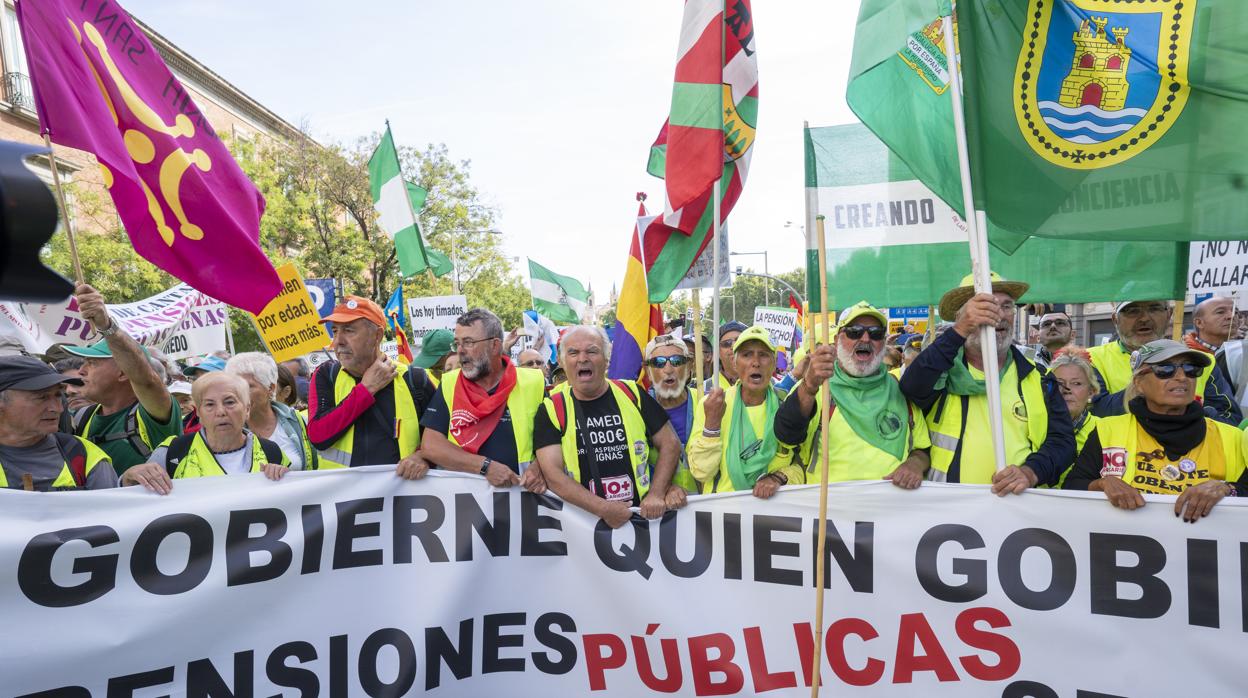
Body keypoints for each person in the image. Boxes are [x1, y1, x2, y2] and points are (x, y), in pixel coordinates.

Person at [901, 273, 1075, 493]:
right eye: (984, 307)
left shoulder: (1038, 377)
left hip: (1016, 508)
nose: (997, 316)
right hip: (948, 510)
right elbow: (911, 385)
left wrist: (1030, 472)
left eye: (1006, 306)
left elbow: (1063, 443)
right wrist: (959, 331)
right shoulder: (940, 373)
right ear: (962, 316)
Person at [1063, 339, 1247, 522]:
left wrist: (1227, 489)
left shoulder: (1232, 436)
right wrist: (1102, 484)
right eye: (1165, 369)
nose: (1182, 377)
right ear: (1139, 383)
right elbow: (1071, 487)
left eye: (1191, 369)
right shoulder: (1108, 430)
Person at [533, 326, 686, 528]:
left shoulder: (632, 393)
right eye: (573, 353)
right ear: (561, 362)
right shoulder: (551, 409)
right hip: (583, 526)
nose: (582, 358)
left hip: (643, 520)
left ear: (606, 360)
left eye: (592, 351)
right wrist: (603, 509)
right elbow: (553, 476)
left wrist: (657, 493)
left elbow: (670, 444)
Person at [776, 302, 931, 489]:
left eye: (875, 333)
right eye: (854, 331)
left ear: (883, 341)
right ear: (836, 341)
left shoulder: (900, 389)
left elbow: (922, 449)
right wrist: (809, 387)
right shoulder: (817, 386)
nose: (865, 338)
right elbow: (786, 436)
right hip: (829, 512)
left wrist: (914, 464)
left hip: (891, 511)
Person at [420, 308, 548, 490]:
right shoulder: (449, 383)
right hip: (466, 503)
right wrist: (485, 467)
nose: (460, 351)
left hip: (524, 502)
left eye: (469, 342)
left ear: (495, 346)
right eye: (457, 343)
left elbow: (556, 440)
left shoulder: (533, 381)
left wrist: (541, 467)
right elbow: (431, 445)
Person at [306, 295, 434, 473]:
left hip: (401, 497)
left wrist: (421, 456)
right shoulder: (326, 374)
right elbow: (318, 436)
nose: (338, 341)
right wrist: (366, 390)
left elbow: (439, 440)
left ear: (377, 335)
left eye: (349, 330)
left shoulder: (415, 379)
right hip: (341, 497)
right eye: (335, 331)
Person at [65, 284, 182, 476]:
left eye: (92, 363)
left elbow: (147, 381)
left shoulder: (153, 415)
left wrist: (106, 326)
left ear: (124, 372)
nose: (81, 371)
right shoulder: (81, 418)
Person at [121, 373, 290, 493]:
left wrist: (282, 477)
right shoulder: (173, 451)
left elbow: (293, 506)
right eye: (209, 404)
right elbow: (132, 501)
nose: (221, 412)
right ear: (199, 413)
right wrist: (128, 478)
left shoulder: (271, 452)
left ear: (247, 409)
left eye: (230, 402)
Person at [688, 326, 802, 496]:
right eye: (746, 355)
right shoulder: (712, 405)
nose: (755, 363)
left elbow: (803, 466)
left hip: (775, 515)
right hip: (724, 513)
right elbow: (701, 472)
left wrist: (778, 478)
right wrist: (712, 424)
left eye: (763, 355)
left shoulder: (787, 406)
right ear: (735, 362)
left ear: (773, 363)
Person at [1088, 300, 1240, 424]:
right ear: (1115, 319)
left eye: (1154, 308)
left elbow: (1229, 419)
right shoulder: (1090, 359)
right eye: (1133, 311)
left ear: (1169, 314)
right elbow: (1096, 412)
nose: (1144, 318)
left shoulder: (1203, 361)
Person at [0, 356, 116, 491]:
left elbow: (109, 509)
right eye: (42, 397)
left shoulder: (85, 456)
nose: (58, 408)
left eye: (58, 395)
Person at [227, 352, 317, 471]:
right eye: (234, 387)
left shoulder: (298, 422)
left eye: (249, 386)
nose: (239, 393)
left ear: (271, 388)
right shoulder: (224, 429)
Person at [643, 334, 700, 493]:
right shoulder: (638, 409)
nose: (668, 370)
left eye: (676, 361)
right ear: (648, 371)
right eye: (658, 363)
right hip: (662, 510)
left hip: (708, 506)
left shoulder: (706, 401)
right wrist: (665, 488)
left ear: (689, 367)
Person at [1047, 347, 1101, 487]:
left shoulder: (1104, 430)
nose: (1067, 389)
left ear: (1091, 392)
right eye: (1059, 383)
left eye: (1076, 383)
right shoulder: (1033, 425)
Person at [704, 321, 747, 392]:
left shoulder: (770, 385)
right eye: (726, 343)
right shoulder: (703, 389)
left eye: (739, 341)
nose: (733, 346)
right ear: (718, 353)